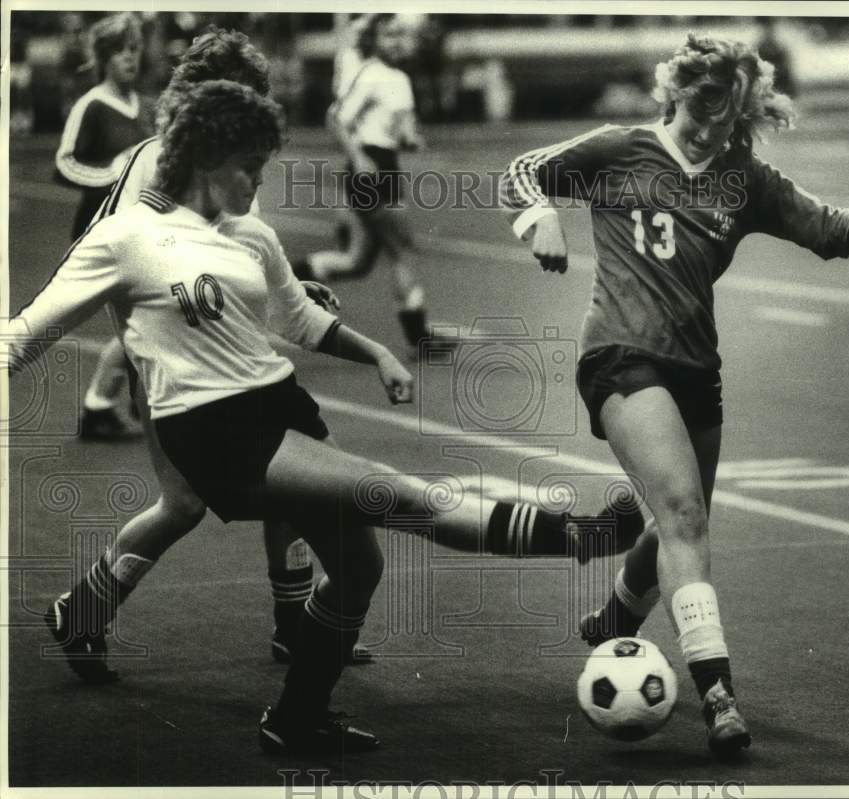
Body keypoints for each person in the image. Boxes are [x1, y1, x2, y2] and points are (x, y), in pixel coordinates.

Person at [7, 80, 645, 754]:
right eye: (248, 166)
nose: (258, 181)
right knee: (395, 494)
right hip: (214, 432)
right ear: (205, 157)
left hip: (279, 405)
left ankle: (297, 717)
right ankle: (577, 536)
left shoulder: (249, 233)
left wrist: (376, 353)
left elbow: (298, 317)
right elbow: (25, 333)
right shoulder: (127, 237)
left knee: (358, 566)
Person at [500, 32, 849, 756]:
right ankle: (718, 692)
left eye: (727, 114)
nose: (710, 124)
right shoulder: (619, 149)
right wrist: (541, 219)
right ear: (676, 92)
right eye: (700, 107)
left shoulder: (742, 177)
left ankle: (614, 622)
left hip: (696, 369)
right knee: (686, 513)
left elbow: (832, 232)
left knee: (670, 526)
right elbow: (523, 172)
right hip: (620, 356)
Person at [49, 27, 372, 676]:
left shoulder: (195, 157)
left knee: (283, 478)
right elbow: (110, 261)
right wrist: (148, 346)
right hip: (173, 364)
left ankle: (287, 624)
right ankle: (85, 608)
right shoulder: (161, 163)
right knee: (193, 501)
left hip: (200, 359)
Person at [294, 14, 447, 356]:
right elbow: (335, 119)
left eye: (399, 35)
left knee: (358, 261)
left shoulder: (400, 79)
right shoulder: (372, 75)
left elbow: (401, 132)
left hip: (385, 165)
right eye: (387, 35)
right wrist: (359, 157)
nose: (395, 41)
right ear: (373, 41)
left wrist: (411, 139)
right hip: (371, 170)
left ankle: (288, 277)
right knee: (403, 250)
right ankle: (418, 336)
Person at [54, 12, 155, 440]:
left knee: (146, 325)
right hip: (101, 233)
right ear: (102, 58)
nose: (129, 59)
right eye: (118, 51)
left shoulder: (144, 107)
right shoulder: (92, 105)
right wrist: (112, 176)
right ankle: (110, 403)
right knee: (143, 325)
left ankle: (105, 405)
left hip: (141, 233)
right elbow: (64, 163)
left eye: (133, 49)